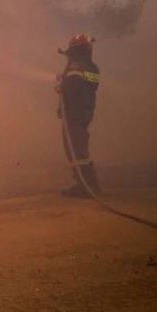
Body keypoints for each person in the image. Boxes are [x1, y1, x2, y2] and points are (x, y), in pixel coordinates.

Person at [55, 33, 102, 198]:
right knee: (78, 149)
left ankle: (86, 187)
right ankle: (87, 184)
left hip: (74, 114)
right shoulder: (91, 68)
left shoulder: (75, 67)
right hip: (84, 112)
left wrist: (62, 86)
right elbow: (86, 85)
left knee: (75, 150)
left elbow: (72, 87)